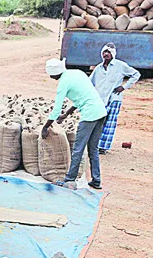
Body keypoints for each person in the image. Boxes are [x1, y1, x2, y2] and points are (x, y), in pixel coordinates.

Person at [42, 58, 107, 190]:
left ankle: (70, 180)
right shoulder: (77, 73)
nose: (50, 77)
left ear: (55, 73)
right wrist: (66, 114)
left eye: (50, 74)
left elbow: (56, 109)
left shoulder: (63, 83)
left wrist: (46, 126)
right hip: (101, 111)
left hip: (90, 115)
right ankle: (96, 180)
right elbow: (81, 97)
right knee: (93, 149)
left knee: (78, 148)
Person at [89, 43, 140, 154]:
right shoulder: (98, 68)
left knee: (109, 124)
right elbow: (90, 82)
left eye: (109, 52)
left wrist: (124, 86)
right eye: (104, 52)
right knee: (97, 122)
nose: (106, 54)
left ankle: (103, 147)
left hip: (114, 99)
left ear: (113, 54)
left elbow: (136, 74)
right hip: (100, 99)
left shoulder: (120, 65)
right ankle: (94, 145)